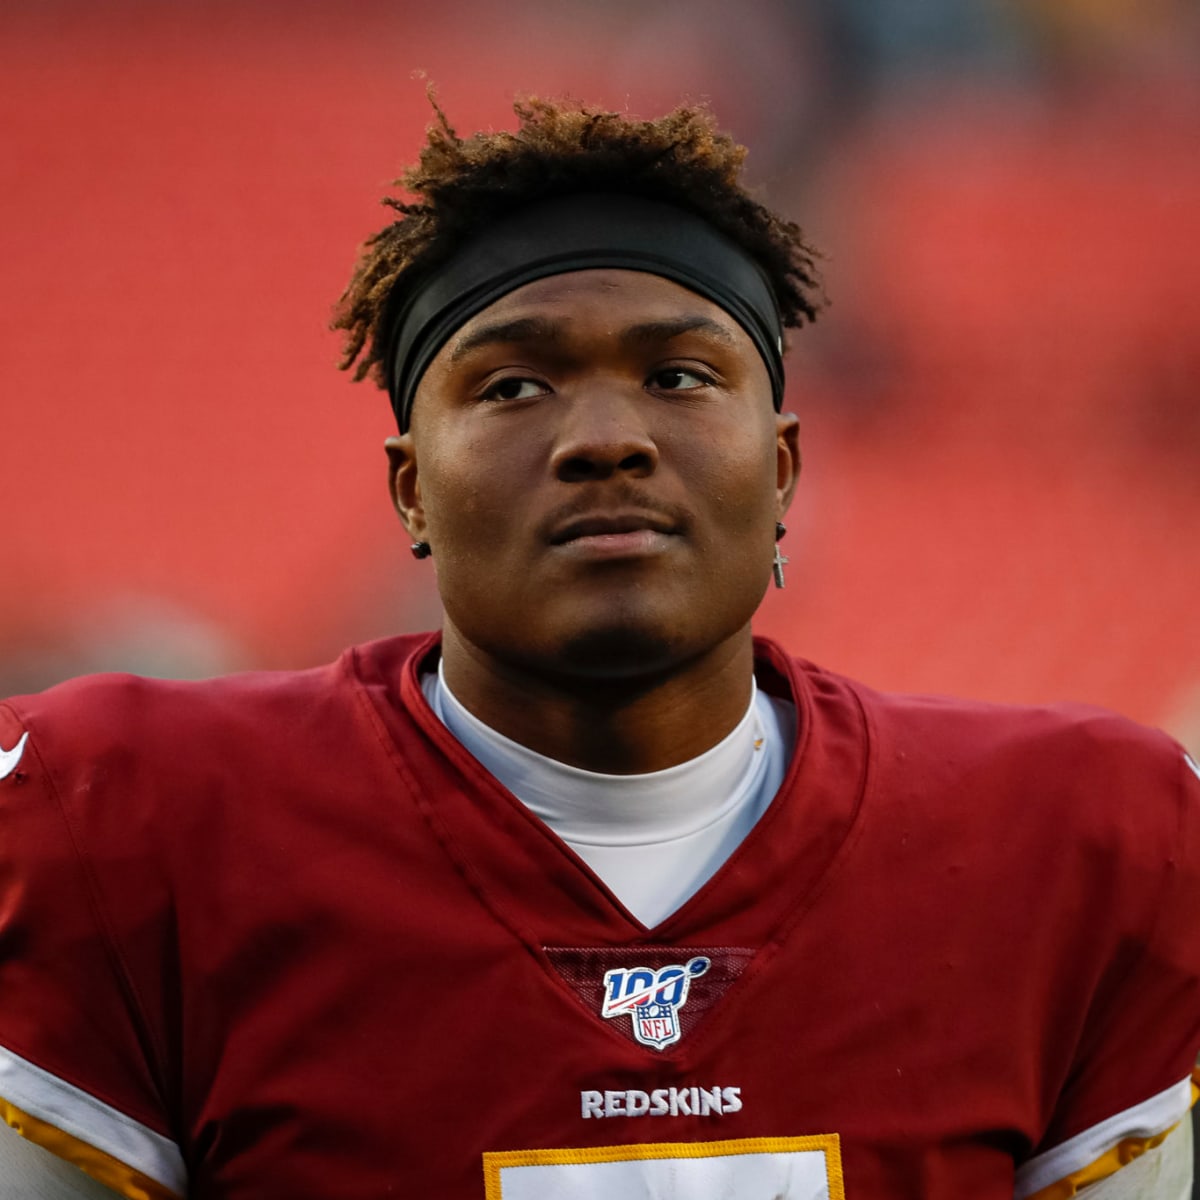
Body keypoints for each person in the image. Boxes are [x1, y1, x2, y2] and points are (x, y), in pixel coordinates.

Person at [0, 97, 1196, 1200]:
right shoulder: (131, 827)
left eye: (678, 374)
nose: (607, 440)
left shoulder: (1076, 844)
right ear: (410, 492)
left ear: (782, 470)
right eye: (515, 386)